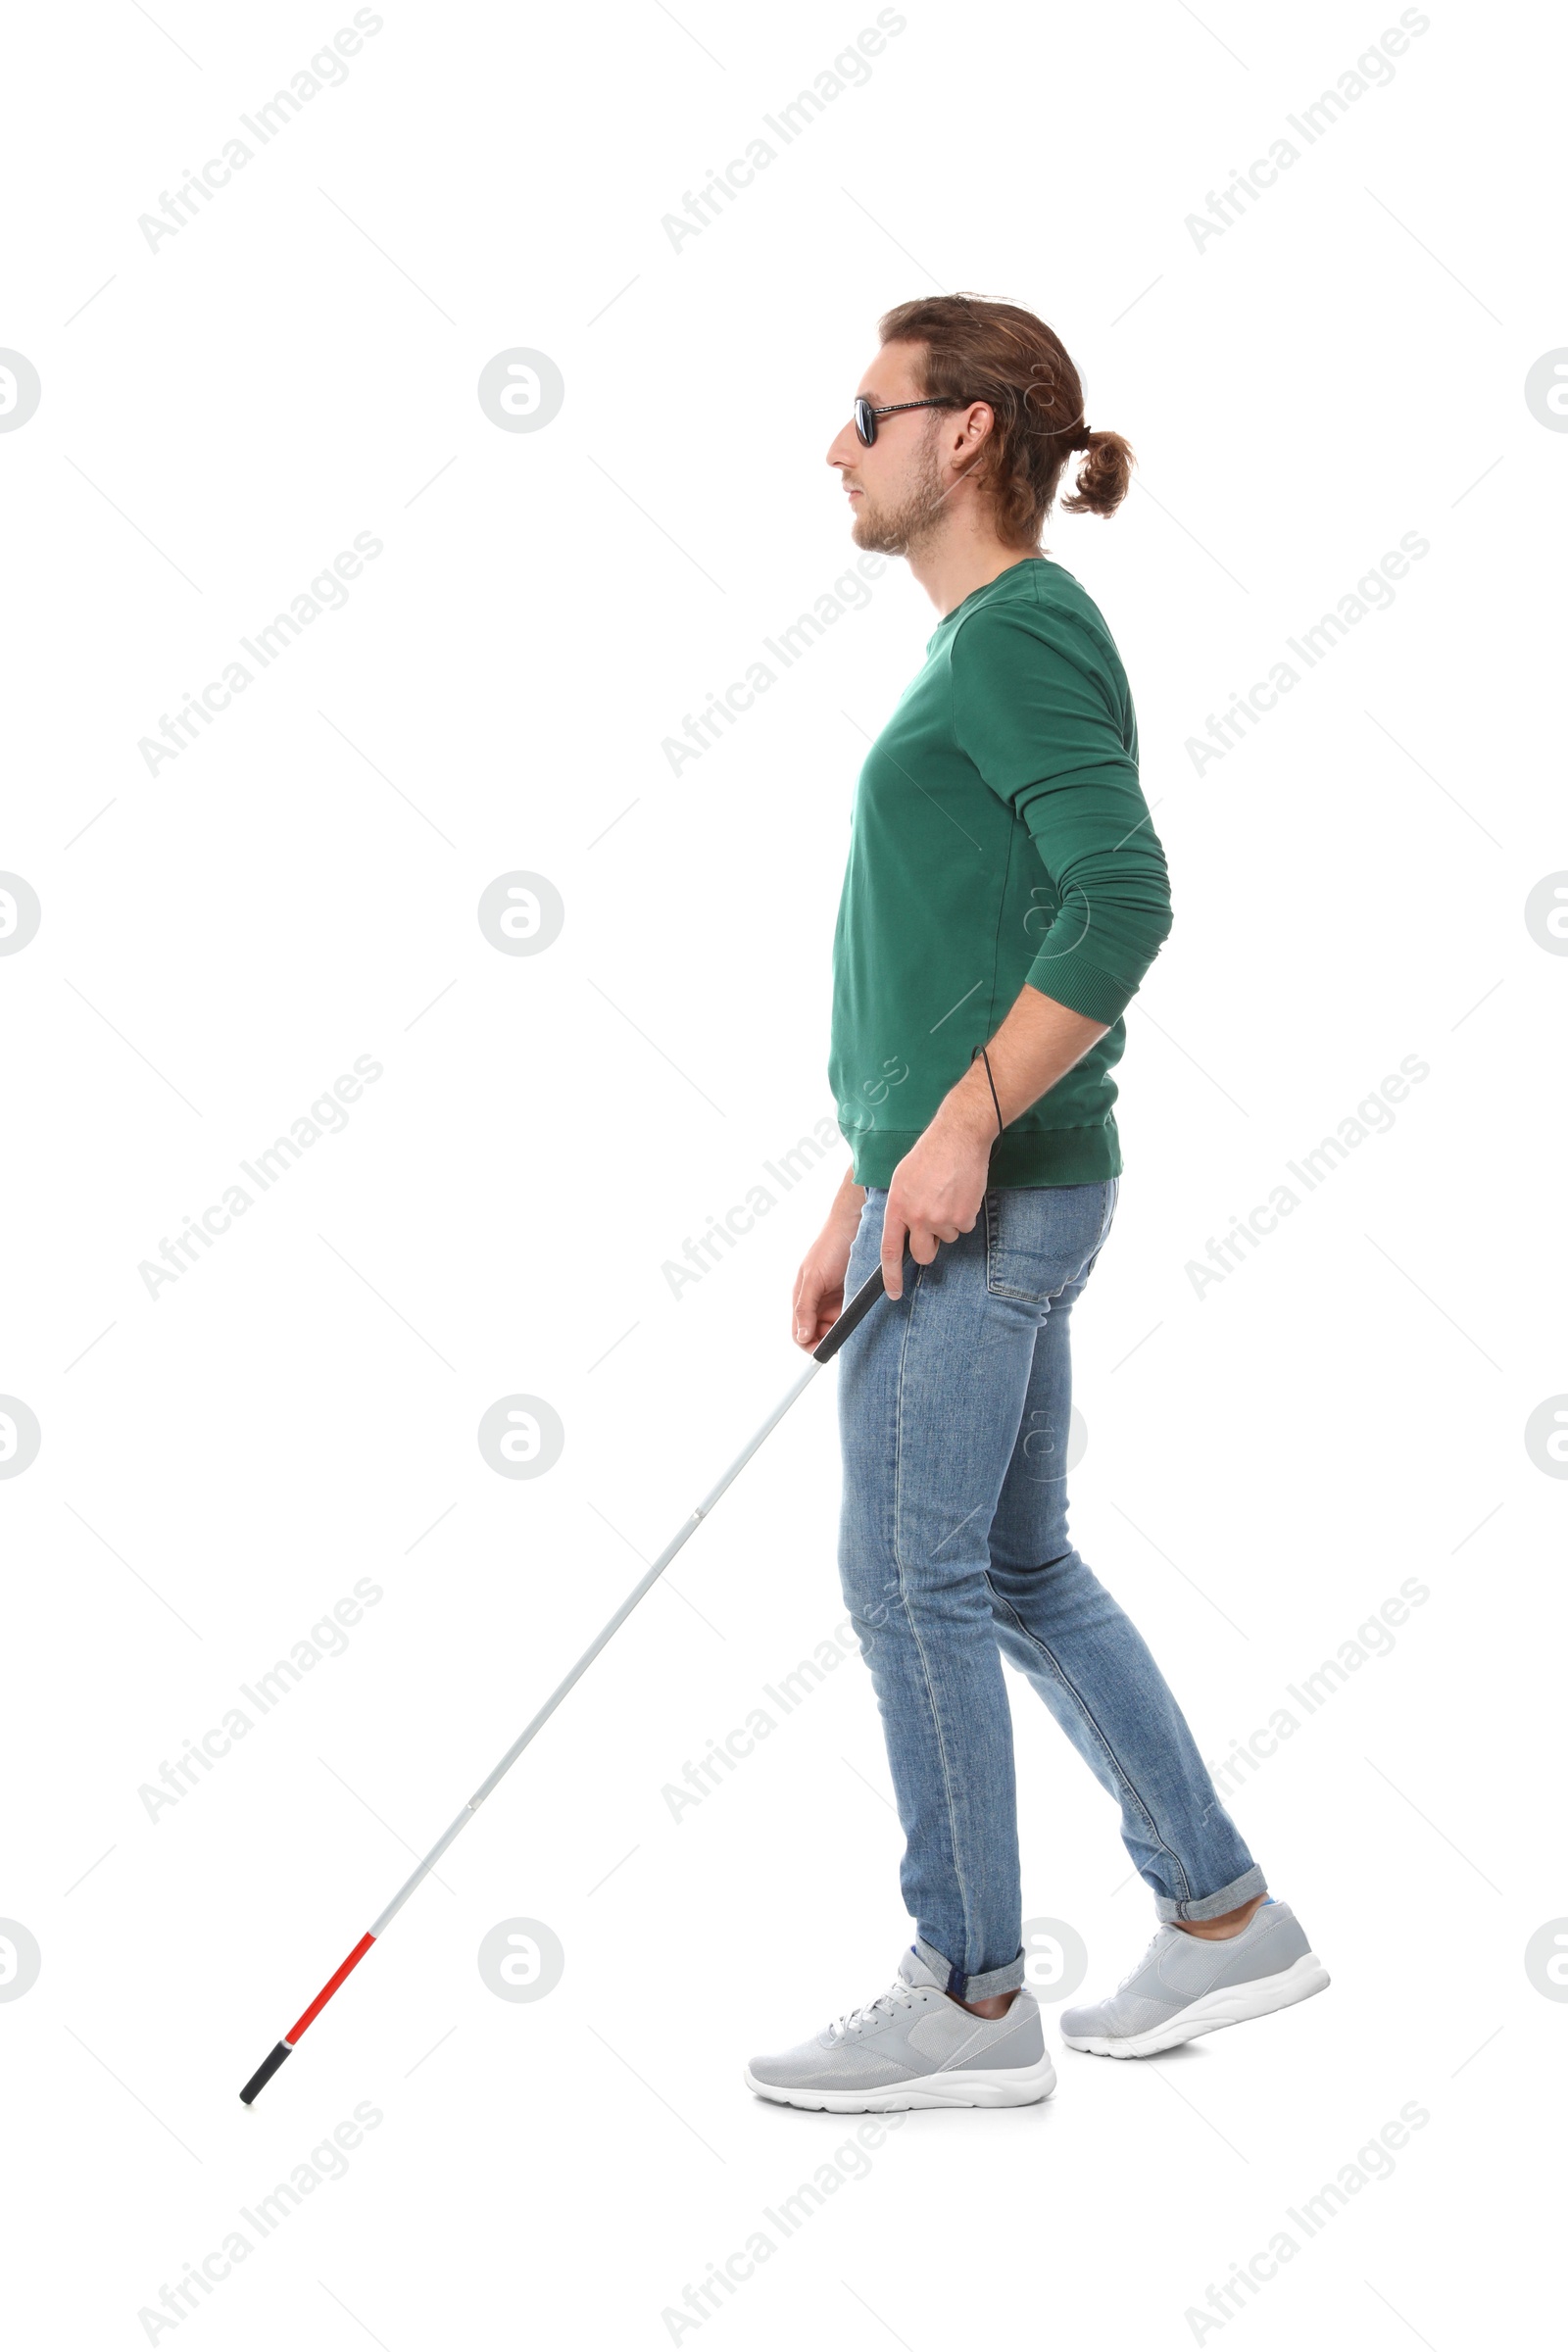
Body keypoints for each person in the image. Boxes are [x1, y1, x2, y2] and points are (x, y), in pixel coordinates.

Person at [745, 295, 1327, 2113]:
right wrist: (863, 1184)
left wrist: (966, 1131)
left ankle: (976, 1999)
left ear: (967, 433)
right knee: (1005, 1569)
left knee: (906, 1580)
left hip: (997, 1205)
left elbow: (1122, 901)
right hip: (967, 1196)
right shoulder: (981, 646)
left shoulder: (1018, 636)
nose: (836, 444)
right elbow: (959, 965)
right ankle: (1224, 1919)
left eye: (865, 409)